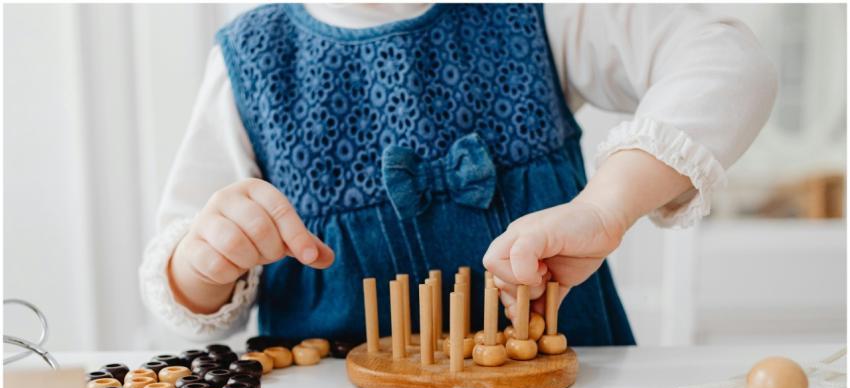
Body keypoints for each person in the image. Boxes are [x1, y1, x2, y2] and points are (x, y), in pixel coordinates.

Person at [140, 3, 776, 345]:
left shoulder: (541, 11)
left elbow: (726, 62)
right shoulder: (251, 61)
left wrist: (604, 208)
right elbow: (186, 294)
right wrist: (203, 263)